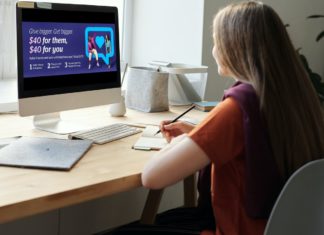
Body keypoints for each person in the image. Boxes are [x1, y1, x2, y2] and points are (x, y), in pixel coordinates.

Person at [105, 1, 324, 235]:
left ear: (234, 48)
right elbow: (256, 146)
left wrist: (186, 142)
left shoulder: (237, 108)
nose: (214, 51)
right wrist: (199, 135)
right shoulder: (295, 99)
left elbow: (152, 177)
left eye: (217, 42)